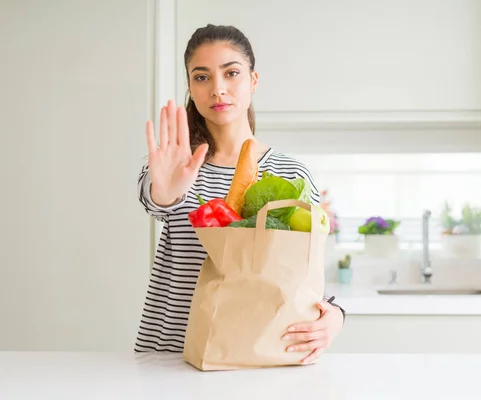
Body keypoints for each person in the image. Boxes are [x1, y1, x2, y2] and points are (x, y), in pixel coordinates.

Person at [135, 24, 345, 365]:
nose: (218, 89)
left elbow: (302, 272)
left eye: (231, 73)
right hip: (170, 356)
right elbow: (154, 199)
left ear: (253, 80)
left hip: (258, 355)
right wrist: (166, 193)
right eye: (202, 77)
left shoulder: (291, 174)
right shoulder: (175, 164)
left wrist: (334, 316)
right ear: (190, 86)